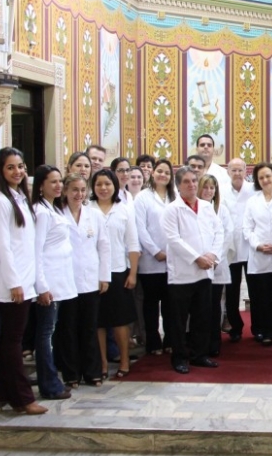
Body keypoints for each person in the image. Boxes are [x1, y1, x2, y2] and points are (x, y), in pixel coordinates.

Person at [0, 147, 47, 415]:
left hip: (25, 278)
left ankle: (4, 392)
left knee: (9, 340)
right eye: (11, 167)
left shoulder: (21, 197)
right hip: (12, 283)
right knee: (13, 342)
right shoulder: (1, 200)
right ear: (1, 170)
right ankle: (22, 398)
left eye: (21, 166)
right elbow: (3, 245)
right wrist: (15, 283)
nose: (17, 171)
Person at [161, 167, 224, 374]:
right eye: (187, 182)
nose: (192, 185)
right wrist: (197, 258)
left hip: (205, 272)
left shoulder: (206, 207)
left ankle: (199, 354)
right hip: (182, 274)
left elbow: (218, 232)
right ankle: (179, 357)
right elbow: (173, 240)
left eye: (194, 181)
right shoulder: (172, 209)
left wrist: (213, 255)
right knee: (179, 321)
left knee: (202, 316)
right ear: (178, 185)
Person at [58, 174, 110, 388]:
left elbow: (104, 246)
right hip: (65, 279)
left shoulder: (94, 215)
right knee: (68, 328)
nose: (79, 194)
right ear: (65, 191)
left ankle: (92, 372)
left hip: (90, 278)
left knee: (90, 328)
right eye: (74, 190)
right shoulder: (57, 214)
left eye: (82, 190)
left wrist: (104, 276)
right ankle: (71, 374)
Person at [89, 169, 140, 379]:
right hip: (93, 273)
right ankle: (102, 363)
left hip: (119, 270)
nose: (103, 188)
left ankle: (124, 360)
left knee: (120, 321)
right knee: (99, 322)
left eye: (107, 184)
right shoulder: (87, 209)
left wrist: (133, 273)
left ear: (115, 186)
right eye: (99, 184)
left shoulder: (124, 209)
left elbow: (133, 243)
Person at [31, 165, 74, 400]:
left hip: (60, 278)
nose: (58, 186)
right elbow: (36, 251)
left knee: (52, 332)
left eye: (60, 181)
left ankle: (52, 379)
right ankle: (48, 383)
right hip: (48, 281)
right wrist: (42, 286)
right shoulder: (40, 211)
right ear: (40, 185)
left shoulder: (54, 209)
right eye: (52, 182)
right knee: (46, 334)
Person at [243, 163, 272, 345]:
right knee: (263, 298)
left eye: (268, 176)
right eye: (260, 178)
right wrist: (258, 245)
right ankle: (266, 332)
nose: (265, 180)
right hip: (259, 256)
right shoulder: (253, 201)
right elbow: (247, 228)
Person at [136, 158, 175, 355]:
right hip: (151, 262)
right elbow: (140, 229)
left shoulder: (174, 197)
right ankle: (153, 341)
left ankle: (170, 339)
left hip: (172, 261)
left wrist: (172, 251)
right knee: (151, 304)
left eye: (167, 173)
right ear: (153, 173)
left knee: (170, 304)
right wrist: (155, 251)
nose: (163, 175)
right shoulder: (143, 197)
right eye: (160, 171)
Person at [198, 174, 233, 358]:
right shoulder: (193, 207)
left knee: (214, 305)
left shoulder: (222, 210)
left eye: (212, 188)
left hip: (217, 264)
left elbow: (227, 234)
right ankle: (199, 342)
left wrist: (215, 258)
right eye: (205, 187)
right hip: (198, 265)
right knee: (200, 307)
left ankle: (214, 341)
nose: (209, 191)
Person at [223, 158, 254, 343]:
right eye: (233, 170)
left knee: (255, 290)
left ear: (245, 171)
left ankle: (258, 326)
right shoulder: (222, 191)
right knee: (232, 290)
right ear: (228, 172)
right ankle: (235, 326)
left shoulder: (253, 190)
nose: (236, 173)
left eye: (240, 170)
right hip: (231, 249)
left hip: (251, 248)